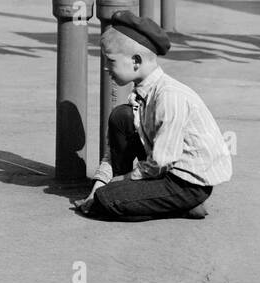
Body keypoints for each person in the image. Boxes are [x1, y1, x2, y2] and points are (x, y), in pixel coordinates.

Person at [78, 11, 232, 221]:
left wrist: (120, 181)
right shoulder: (143, 92)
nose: (106, 67)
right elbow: (112, 153)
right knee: (121, 117)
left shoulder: (169, 97)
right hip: (162, 171)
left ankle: (184, 205)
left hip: (186, 183)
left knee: (107, 200)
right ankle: (134, 195)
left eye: (110, 61)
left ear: (135, 61)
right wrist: (101, 182)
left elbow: (161, 162)